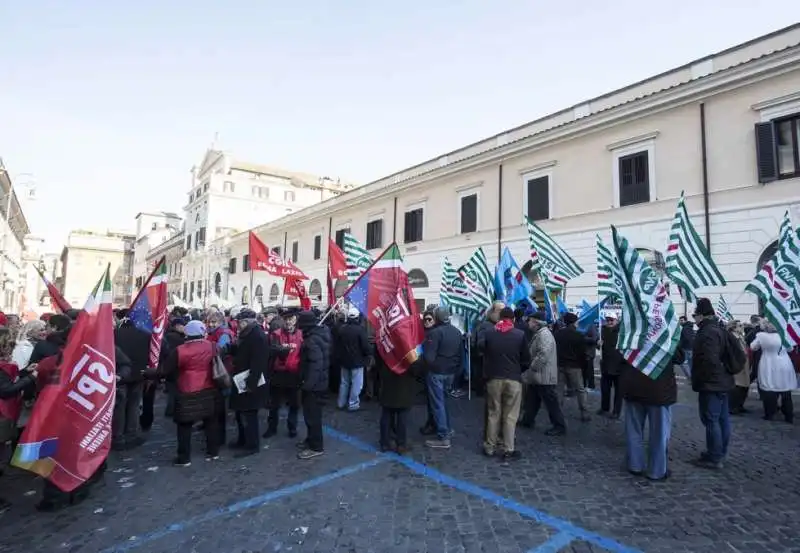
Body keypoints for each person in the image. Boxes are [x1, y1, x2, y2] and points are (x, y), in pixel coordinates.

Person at [159, 320, 221, 466]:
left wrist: (149, 372)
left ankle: (184, 458)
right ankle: (213, 452)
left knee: (184, 425)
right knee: (210, 422)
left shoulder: (181, 350)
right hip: (209, 387)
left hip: (187, 389)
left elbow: (165, 370)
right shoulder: (212, 346)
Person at [620, 347, 678, 481]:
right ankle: (656, 471)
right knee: (659, 432)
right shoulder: (667, 331)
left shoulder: (633, 329)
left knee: (633, 429)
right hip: (659, 388)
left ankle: (635, 465)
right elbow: (678, 356)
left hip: (633, 385)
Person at [479, 307, 529, 459]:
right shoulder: (520, 335)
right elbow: (526, 359)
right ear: (513, 319)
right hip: (513, 378)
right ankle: (508, 448)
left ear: (499, 318)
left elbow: (483, 353)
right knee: (510, 416)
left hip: (494, 378)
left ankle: (489, 446)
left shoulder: (489, 334)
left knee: (493, 413)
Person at [691, 297, 732, 470]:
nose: (694, 319)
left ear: (701, 315)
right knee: (722, 419)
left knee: (711, 419)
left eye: (695, 315)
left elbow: (709, 360)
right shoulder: (720, 328)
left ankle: (714, 456)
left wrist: (703, 378)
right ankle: (719, 451)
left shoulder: (707, 332)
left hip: (712, 383)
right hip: (723, 381)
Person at [229, 308, 270, 457]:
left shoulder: (257, 336)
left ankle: (252, 445)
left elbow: (258, 362)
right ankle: (242, 439)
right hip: (241, 378)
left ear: (245, 322)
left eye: (239, 322)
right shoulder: (247, 334)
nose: (237, 325)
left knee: (249, 415)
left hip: (250, 381)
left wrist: (251, 383)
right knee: (240, 413)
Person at [422, 306, 463, 449]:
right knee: (444, 402)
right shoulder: (457, 332)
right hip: (450, 372)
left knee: (438, 404)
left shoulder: (435, 333)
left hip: (437, 372)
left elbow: (429, 357)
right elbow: (461, 355)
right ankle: (447, 429)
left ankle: (444, 435)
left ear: (437, 318)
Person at [520, 312, 566, 435]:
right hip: (539, 376)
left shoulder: (544, 335)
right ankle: (527, 420)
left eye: (530, 320)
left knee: (551, 402)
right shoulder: (540, 334)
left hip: (544, 375)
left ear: (536, 322)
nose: (528, 323)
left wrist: (533, 367)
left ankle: (559, 426)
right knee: (532, 399)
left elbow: (543, 354)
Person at [296, 310, 331, 460]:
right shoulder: (320, 334)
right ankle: (311, 440)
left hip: (314, 386)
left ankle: (316, 446)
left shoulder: (312, 341)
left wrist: (307, 385)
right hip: (319, 383)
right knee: (311, 415)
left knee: (312, 417)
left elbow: (316, 365)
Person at [113, 316, 151, 451]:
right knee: (134, 405)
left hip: (119, 375)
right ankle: (131, 433)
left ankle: (118, 436)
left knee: (119, 407)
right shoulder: (145, 335)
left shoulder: (114, 335)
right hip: (138, 374)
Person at [265, 310, 303, 439]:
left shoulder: (301, 334)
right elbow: (272, 350)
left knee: (294, 404)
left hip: (294, 374)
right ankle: (272, 428)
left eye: (291, 319)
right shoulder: (276, 334)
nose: (288, 322)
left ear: (296, 320)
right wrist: (286, 350)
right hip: (278, 373)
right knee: (274, 404)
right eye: (286, 319)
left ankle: (292, 428)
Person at [751, 320, 796, 423]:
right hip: (784, 363)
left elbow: (753, 347)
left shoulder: (761, 335)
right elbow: (790, 349)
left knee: (769, 390)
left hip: (768, 363)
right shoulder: (784, 335)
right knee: (786, 391)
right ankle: (789, 416)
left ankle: (770, 414)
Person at [554, 312, 591, 421]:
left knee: (559, 389)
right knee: (580, 390)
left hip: (560, 365)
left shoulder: (557, 334)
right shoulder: (578, 335)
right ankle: (584, 413)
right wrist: (584, 367)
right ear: (574, 322)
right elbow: (582, 353)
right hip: (574, 366)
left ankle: (558, 413)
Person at [336, 306, 372, 412]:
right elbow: (366, 347)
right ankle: (353, 403)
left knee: (344, 383)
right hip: (357, 361)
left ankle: (341, 402)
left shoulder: (342, 329)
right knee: (356, 384)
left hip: (344, 361)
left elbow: (337, 345)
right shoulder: (360, 330)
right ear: (357, 317)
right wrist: (369, 353)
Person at [598, 316, 624, 419]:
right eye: (608, 319)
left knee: (619, 391)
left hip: (619, 365)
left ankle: (616, 411)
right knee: (605, 389)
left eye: (611, 320)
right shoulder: (602, 330)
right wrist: (598, 344)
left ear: (616, 320)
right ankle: (604, 408)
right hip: (605, 364)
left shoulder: (622, 331)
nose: (609, 322)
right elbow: (600, 346)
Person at [727, 321, 752, 415]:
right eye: (740, 326)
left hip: (744, 362)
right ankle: (733, 407)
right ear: (734, 328)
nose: (742, 327)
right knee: (737, 386)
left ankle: (740, 405)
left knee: (744, 385)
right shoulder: (731, 337)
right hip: (737, 363)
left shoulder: (740, 336)